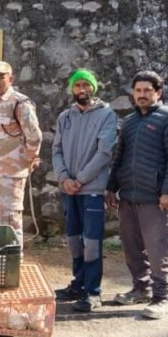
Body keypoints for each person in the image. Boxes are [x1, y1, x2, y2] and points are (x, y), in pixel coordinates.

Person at [107, 70, 168, 320]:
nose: (142, 95)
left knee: (158, 250)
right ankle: (141, 288)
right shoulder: (129, 122)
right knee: (132, 248)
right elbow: (119, 157)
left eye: (147, 90)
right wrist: (111, 187)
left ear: (158, 92)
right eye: (138, 90)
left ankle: (161, 297)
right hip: (128, 197)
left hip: (155, 198)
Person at [52, 69, 118, 312]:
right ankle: (78, 284)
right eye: (78, 85)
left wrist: (79, 179)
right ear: (72, 89)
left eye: (86, 85)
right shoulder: (65, 117)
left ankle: (93, 291)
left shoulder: (106, 115)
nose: (82, 89)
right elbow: (56, 150)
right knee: (73, 240)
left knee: (91, 242)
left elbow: (104, 152)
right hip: (69, 190)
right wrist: (64, 178)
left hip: (92, 189)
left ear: (93, 88)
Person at [0, 61, 42, 243]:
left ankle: (13, 257)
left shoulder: (19, 102)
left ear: (11, 79)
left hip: (11, 172)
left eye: (1, 77)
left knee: (10, 219)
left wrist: (30, 158)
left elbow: (34, 135)